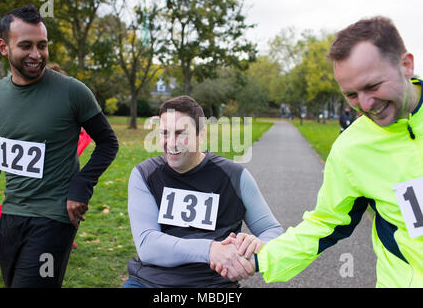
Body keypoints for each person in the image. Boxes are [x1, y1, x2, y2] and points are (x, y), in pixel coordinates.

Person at [215, 16, 423, 287]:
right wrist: (260, 258)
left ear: (406, 65)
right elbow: (324, 224)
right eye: (351, 95)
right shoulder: (351, 148)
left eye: (373, 86)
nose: (366, 104)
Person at [0, 5, 119, 287]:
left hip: (53, 219)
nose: (36, 55)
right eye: (26, 46)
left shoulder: (73, 91)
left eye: (42, 45)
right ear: (4, 47)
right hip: (12, 216)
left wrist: (81, 185)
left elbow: (108, 142)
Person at [123, 95, 283, 288]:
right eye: (165, 133)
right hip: (148, 282)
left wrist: (256, 244)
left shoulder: (234, 176)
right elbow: (147, 245)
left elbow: (272, 230)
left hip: (211, 286)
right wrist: (209, 250)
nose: (172, 143)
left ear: (201, 134)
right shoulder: (145, 174)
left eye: (181, 133)